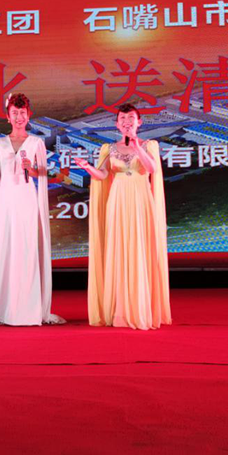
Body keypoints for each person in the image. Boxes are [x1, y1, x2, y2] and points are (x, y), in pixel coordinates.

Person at [74, 103, 171, 330]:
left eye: (131, 118)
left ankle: (140, 308)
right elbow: (103, 174)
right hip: (117, 201)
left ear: (139, 122)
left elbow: (152, 169)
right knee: (119, 248)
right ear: (117, 124)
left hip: (140, 200)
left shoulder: (148, 145)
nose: (127, 123)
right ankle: (120, 309)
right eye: (122, 119)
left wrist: (137, 148)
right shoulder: (109, 148)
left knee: (139, 247)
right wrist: (87, 167)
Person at [0, 93, 64, 326]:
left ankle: (29, 308)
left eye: (22, 113)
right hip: (6, 200)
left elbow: (43, 174)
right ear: (8, 117)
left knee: (27, 248)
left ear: (29, 116)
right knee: (7, 249)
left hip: (27, 200)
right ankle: (5, 308)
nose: (19, 117)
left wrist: (33, 169)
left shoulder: (36, 143)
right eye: (14, 113)